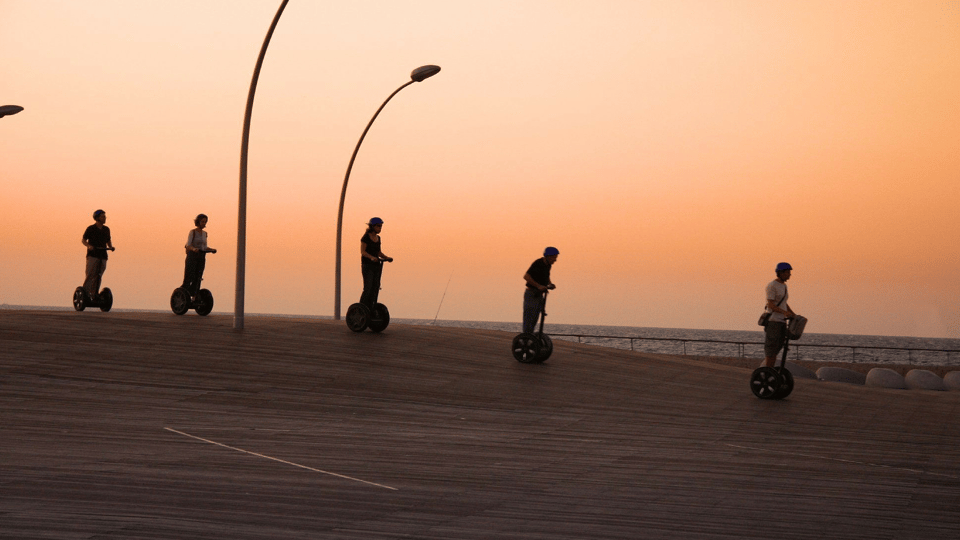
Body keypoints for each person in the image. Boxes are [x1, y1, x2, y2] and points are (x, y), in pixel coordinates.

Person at [762, 262, 797, 367]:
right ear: (781, 273)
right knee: (771, 350)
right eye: (788, 272)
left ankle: (771, 371)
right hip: (773, 321)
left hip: (781, 322)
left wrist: (793, 314)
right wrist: (784, 312)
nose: (790, 274)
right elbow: (771, 304)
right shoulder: (772, 285)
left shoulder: (784, 286)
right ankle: (767, 371)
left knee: (777, 349)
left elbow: (783, 303)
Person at [522, 247, 559, 334]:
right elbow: (526, 276)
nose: (555, 260)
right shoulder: (538, 263)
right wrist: (538, 286)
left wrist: (550, 284)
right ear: (548, 256)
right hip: (531, 294)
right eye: (554, 257)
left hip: (539, 295)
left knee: (535, 317)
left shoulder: (548, 265)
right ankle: (526, 338)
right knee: (529, 318)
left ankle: (530, 336)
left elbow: (546, 276)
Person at [359, 217, 393, 309]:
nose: (380, 228)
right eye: (378, 226)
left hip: (376, 265)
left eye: (381, 226)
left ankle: (372, 306)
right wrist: (372, 258)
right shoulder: (366, 237)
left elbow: (379, 252)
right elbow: (363, 252)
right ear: (372, 226)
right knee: (368, 287)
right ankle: (362, 307)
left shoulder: (378, 238)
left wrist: (387, 258)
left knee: (376, 287)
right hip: (367, 265)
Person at [81, 209, 114, 300]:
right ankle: (86, 294)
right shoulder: (91, 228)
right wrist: (89, 246)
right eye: (103, 216)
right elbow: (83, 240)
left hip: (103, 255)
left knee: (99, 275)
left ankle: (94, 294)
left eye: (105, 216)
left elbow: (108, 241)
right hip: (92, 255)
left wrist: (111, 247)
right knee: (90, 274)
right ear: (97, 218)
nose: (105, 218)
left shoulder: (106, 229)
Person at [181, 214, 217, 297]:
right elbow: (188, 245)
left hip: (201, 256)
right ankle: (184, 291)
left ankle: (195, 293)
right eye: (202, 222)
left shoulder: (205, 234)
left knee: (199, 276)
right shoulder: (192, 232)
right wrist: (194, 249)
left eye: (205, 222)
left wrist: (211, 250)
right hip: (192, 256)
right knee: (190, 275)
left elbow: (204, 247)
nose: (204, 223)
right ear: (198, 222)